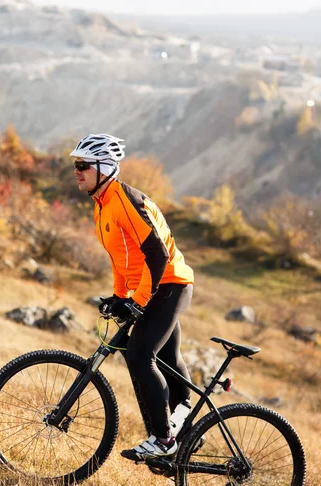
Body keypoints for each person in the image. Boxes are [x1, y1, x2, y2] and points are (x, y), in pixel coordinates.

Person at [70, 133, 195, 461]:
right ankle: (186, 426)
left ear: (105, 167)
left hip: (170, 283)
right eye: (75, 165)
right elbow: (123, 258)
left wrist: (138, 300)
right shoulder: (101, 206)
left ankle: (165, 439)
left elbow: (156, 255)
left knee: (141, 354)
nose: (76, 171)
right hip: (152, 285)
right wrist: (118, 295)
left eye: (83, 165)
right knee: (160, 358)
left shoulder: (125, 199)